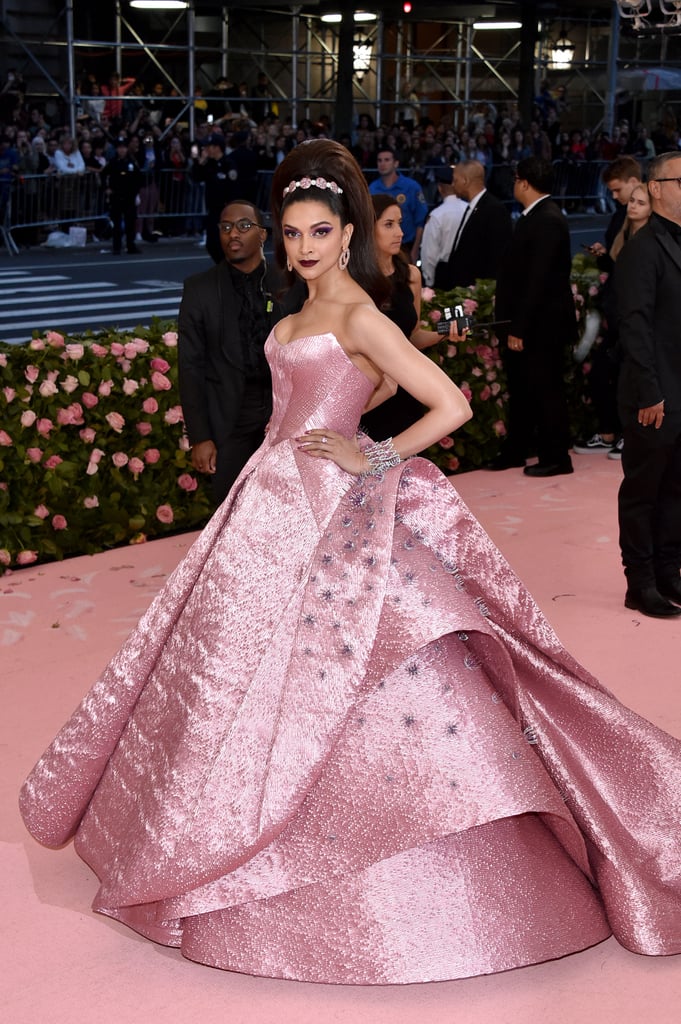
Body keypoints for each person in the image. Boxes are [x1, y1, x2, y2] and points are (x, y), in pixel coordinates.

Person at [19, 139, 681, 985]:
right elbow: (307, 404)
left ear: (344, 234)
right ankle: (216, 833)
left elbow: (451, 402)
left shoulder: (359, 312)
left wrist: (374, 457)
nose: (301, 246)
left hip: (331, 515)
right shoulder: (291, 315)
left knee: (341, 673)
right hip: (265, 506)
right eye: (290, 230)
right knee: (228, 675)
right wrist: (303, 445)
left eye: (318, 231)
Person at [178, 199, 305, 503]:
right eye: (225, 227)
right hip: (229, 423)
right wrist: (200, 437)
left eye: (244, 226)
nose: (233, 233)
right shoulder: (200, 289)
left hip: (283, 419)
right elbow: (190, 367)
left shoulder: (292, 283)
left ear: (263, 234)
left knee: (283, 511)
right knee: (229, 512)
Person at [613, 151, 681, 619]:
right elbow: (633, 325)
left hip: (679, 388)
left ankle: (669, 571)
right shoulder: (642, 247)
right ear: (656, 188)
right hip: (655, 393)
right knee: (644, 488)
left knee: (676, 487)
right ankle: (640, 581)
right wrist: (649, 392)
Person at [493, 157, 577, 476]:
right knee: (525, 389)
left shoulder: (547, 219)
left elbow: (537, 280)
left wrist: (520, 328)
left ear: (524, 182)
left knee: (546, 390)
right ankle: (518, 449)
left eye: (516, 179)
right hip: (534, 324)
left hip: (543, 327)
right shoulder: (537, 217)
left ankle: (557, 457)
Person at [362, 193, 462, 438]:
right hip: (368, 395)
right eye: (389, 224)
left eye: (399, 223)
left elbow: (412, 337)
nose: (399, 232)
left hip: (405, 391)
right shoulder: (353, 283)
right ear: (367, 228)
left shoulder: (411, 276)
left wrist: (444, 333)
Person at [575, 181, 651, 462]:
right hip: (616, 321)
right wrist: (605, 258)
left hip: (632, 325)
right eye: (632, 202)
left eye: (640, 203)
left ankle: (625, 436)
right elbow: (619, 275)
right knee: (603, 377)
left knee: (625, 382)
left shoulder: (651, 243)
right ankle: (611, 434)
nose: (631, 206)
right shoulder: (625, 237)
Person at [445, 158, 512, 288]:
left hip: (478, 297)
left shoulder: (495, 210)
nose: (452, 185)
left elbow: (497, 260)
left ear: (465, 181)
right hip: (464, 293)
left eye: (455, 180)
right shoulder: (474, 207)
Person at [368, 145, 428, 263]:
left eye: (387, 160)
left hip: (406, 245)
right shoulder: (372, 189)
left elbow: (420, 221)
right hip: (380, 248)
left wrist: (415, 249)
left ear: (396, 163)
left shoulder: (411, 187)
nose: (382, 164)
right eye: (379, 161)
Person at [419, 164, 468, 288]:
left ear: (440, 188)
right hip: (467, 271)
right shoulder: (469, 209)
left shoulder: (437, 215)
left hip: (444, 274)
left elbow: (429, 254)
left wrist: (429, 282)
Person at [192, 132, 236, 263]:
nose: (206, 150)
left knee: (225, 244)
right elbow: (196, 177)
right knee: (211, 244)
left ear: (217, 147)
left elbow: (234, 187)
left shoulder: (229, 164)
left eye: (209, 146)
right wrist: (200, 162)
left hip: (227, 210)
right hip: (213, 210)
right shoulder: (208, 164)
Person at [101, 133, 142, 255]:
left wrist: (136, 193)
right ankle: (117, 246)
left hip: (129, 196)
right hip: (116, 196)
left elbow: (138, 178)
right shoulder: (113, 163)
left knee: (130, 223)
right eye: (119, 148)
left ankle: (131, 245)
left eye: (123, 147)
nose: (122, 150)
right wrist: (106, 188)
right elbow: (103, 175)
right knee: (117, 223)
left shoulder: (131, 162)